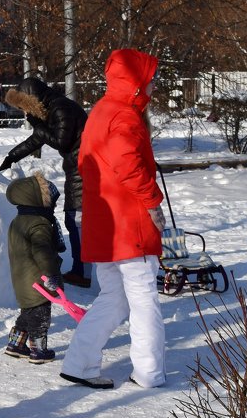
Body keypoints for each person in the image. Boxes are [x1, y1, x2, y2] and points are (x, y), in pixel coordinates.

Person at [60, 49, 167, 390]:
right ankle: (149, 372)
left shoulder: (102, 112)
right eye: (150, 81)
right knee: (143, 298)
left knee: (114, 298)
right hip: (129, 225)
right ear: (135, 84)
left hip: (105, 226)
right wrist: (152, 202)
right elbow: (126, 163)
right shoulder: (124, 116)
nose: (153, 87)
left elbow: (89, 165)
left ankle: (79, 363)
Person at [0, 77, 89, 287]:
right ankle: (83, 270)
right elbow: (38, 138)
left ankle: (83, 272)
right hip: (77, 167)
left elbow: (60, 141)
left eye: (24, 107)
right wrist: (11, 157)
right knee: (74, 219)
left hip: (84, 169)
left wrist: (38, 124)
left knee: (76, 220)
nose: (25, 113)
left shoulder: (61, 108)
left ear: (32, 100)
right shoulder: (53, 109)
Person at [3, 172, 65, 364]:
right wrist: (52, 275)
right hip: (39, 280)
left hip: (22, 278)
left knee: (28, 312)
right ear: (38, 200)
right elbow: (43, 252)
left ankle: (16, 344)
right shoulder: (39, 223)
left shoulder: (19, 220)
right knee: (40, 315)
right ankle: (39, 351)